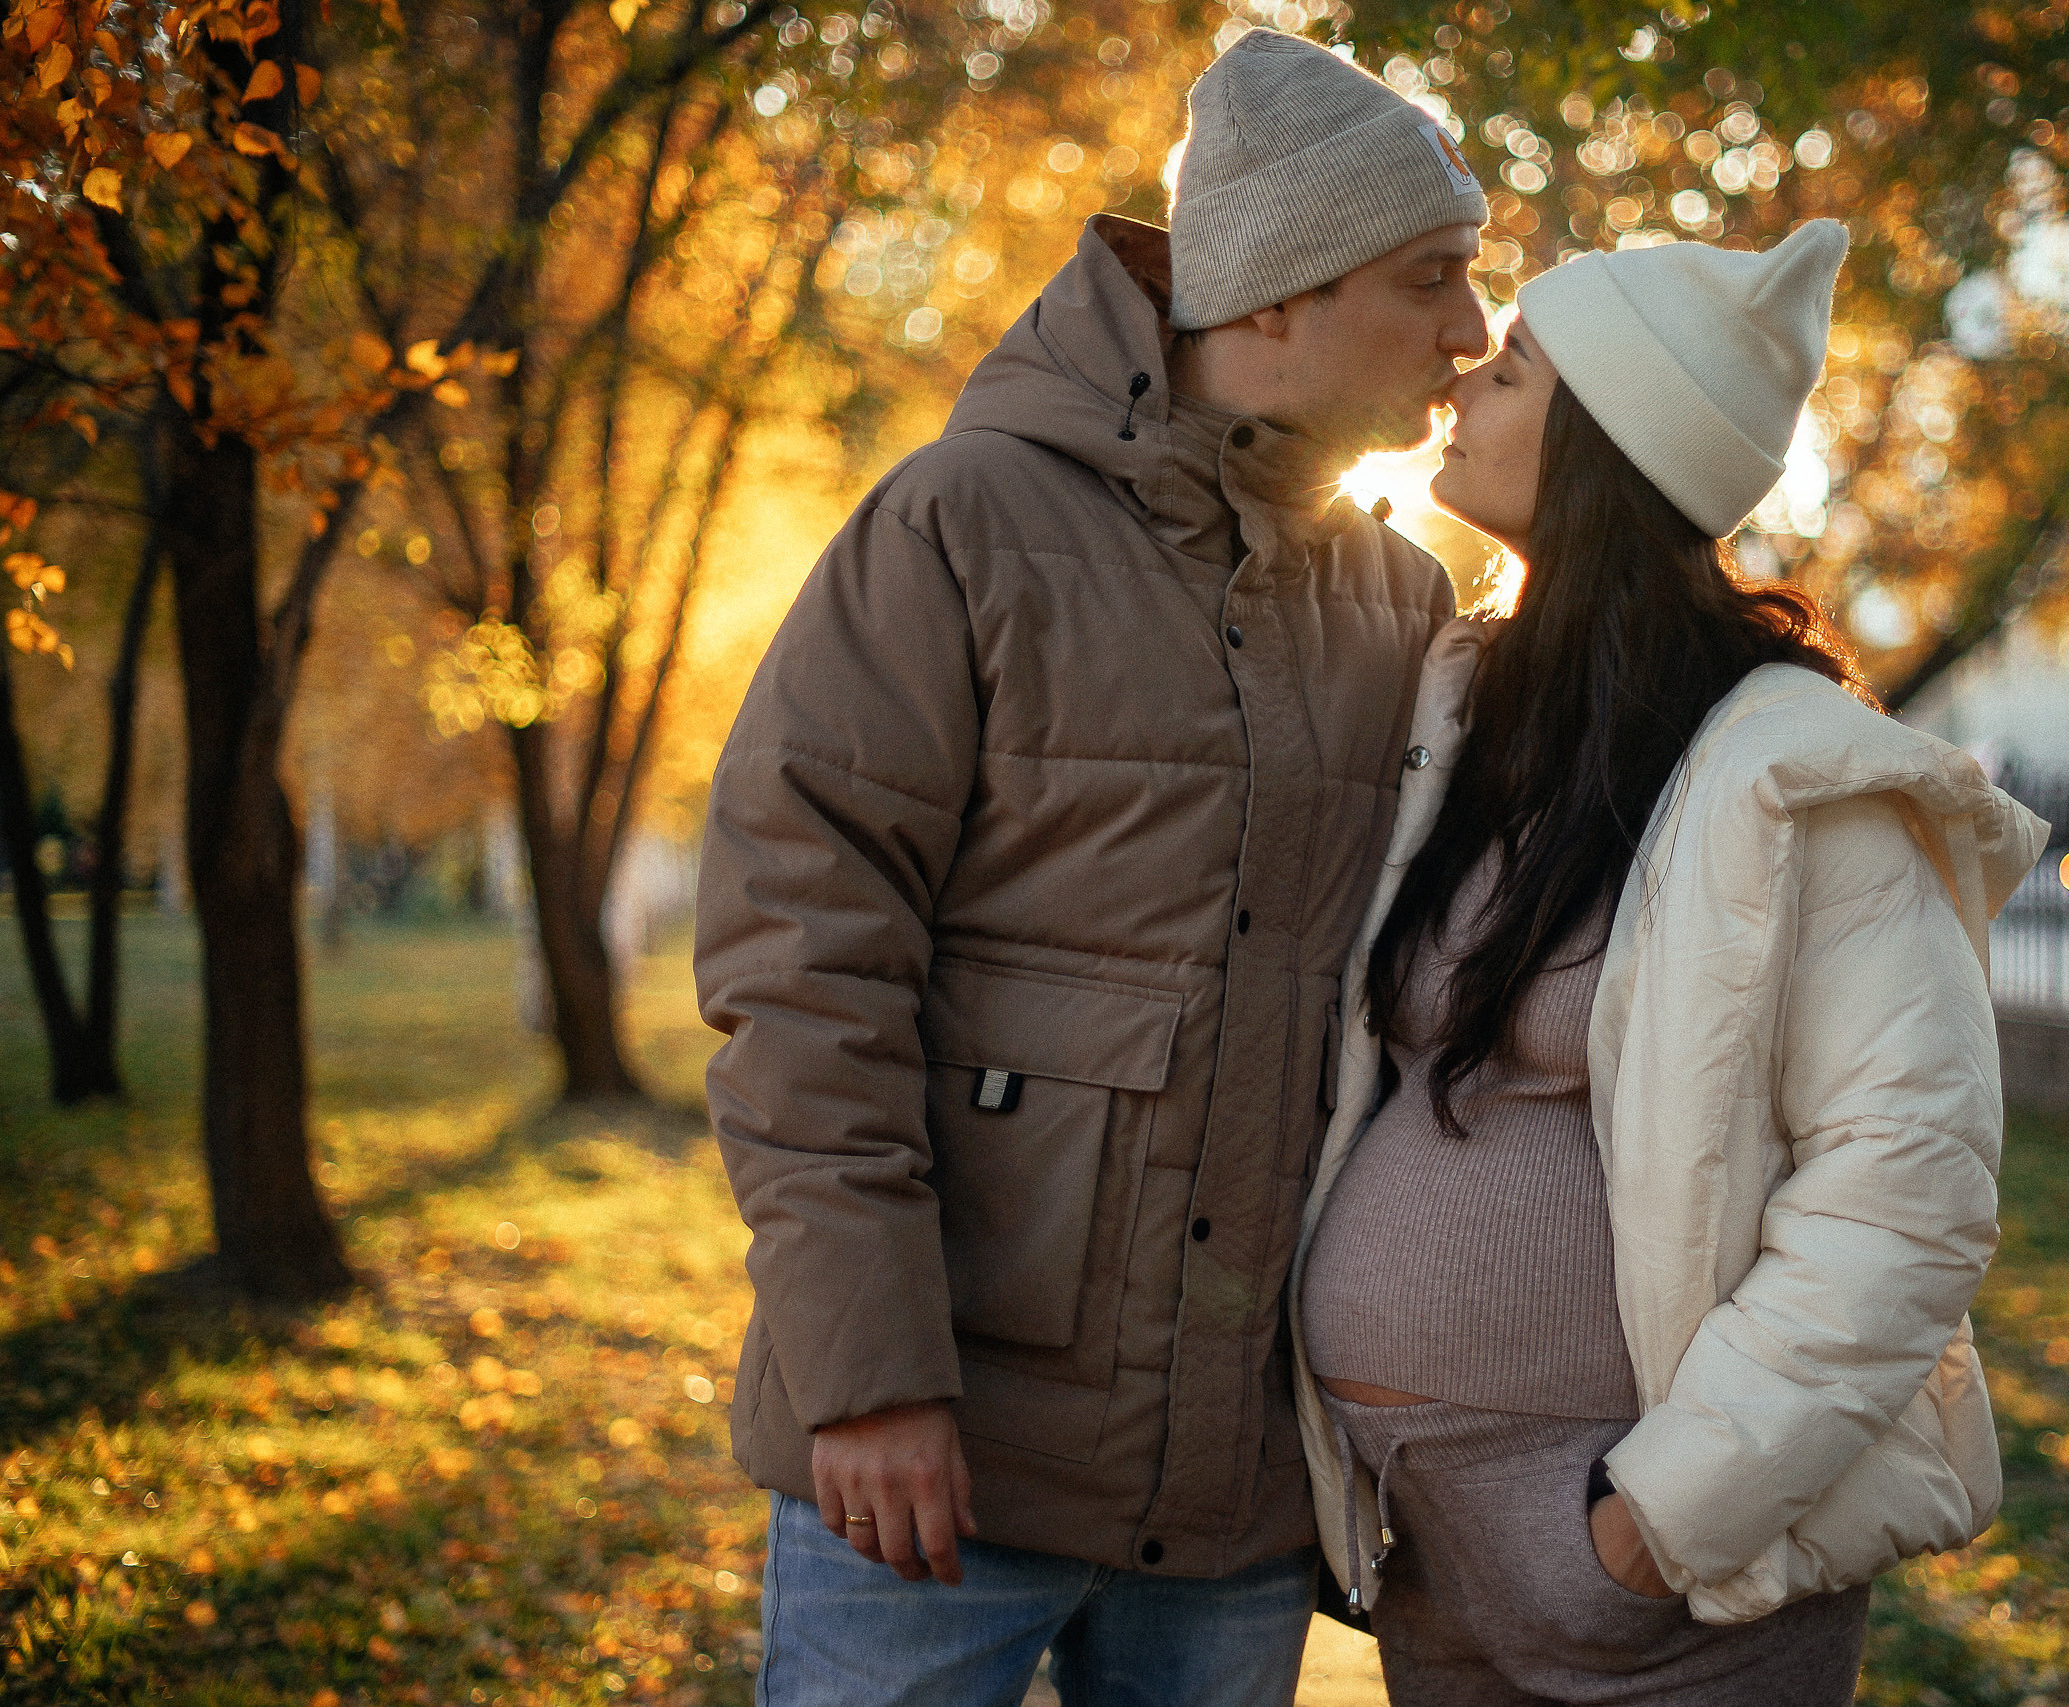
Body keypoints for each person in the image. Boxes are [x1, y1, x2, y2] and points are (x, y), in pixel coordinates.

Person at [692, 28, 1491, 1707]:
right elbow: (798, 963)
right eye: (1432, 279)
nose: (1472, 334)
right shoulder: (959, 528)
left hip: (1232, 1503)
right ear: (1273, 295)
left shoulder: (1402, 604)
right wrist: (868, 1381)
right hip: (933, 1473)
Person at [1288, 221, 2048, 1704]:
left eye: (1508, 373)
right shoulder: (1463, 709)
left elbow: (1909, 1192)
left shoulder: (1803, 781)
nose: (1459, 390)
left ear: (1606, 443)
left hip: (1659, 1590)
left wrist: (1653, 1527)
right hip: (1427, 1548)